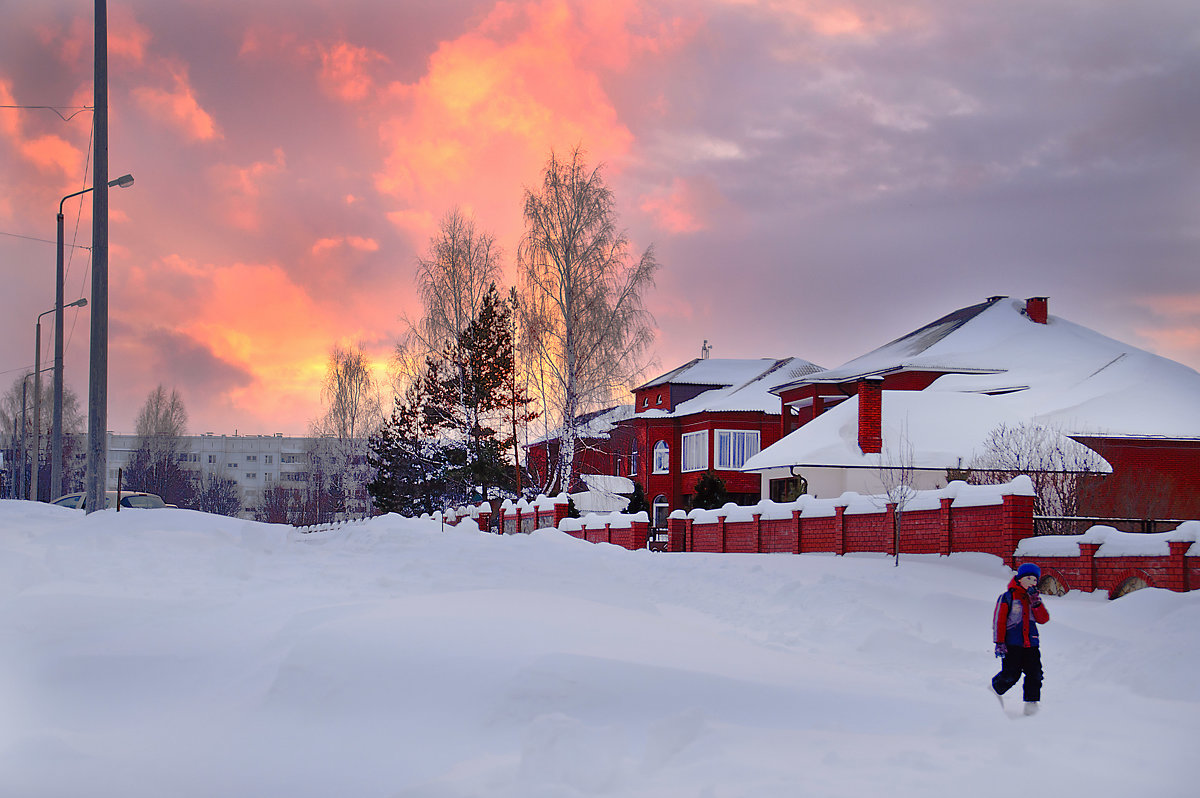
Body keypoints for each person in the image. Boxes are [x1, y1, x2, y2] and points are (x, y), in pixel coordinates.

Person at [991, 562, 1050, 715]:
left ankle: (1031, 705)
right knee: (1011, 674)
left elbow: (1043, 619)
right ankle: (993, 691)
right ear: (1019, 579)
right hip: (1012, 644)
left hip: (1031, 644)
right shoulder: (1008, 597)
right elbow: (999, 621)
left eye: (1035, 580)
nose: (1032, 582)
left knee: (1035, 674)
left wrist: (1036, 603)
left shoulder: (1034, 599)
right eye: (1028, 578)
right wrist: (999, 642)